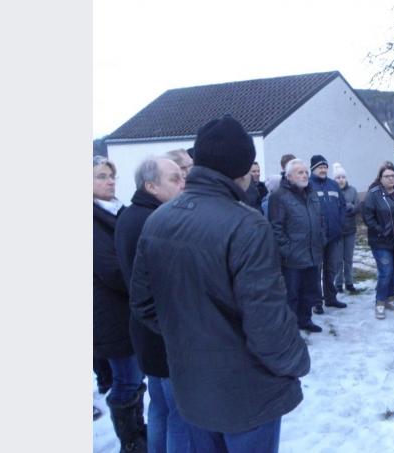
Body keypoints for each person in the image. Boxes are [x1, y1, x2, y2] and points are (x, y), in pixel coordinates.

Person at [130, 115, 310, 452]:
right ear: (242, 171)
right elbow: (267, 324)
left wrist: (191, 337)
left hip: (193, 384)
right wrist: (297, 361)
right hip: (247, 393)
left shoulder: (158, 219)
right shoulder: (247, 225)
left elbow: (144, 304)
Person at [114, 157, 188, 452]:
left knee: (160, 408)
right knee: (180, 415)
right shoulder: (154, 220)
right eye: (174, 178)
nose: (183, 183)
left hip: (147, 331)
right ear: (151, 186)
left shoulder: (134, 214)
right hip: (162, 332)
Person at [93, 155, 147, 452]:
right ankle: (130, 439)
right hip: (110, 313)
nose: (109, 181)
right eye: (101, 176)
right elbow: (112, 269)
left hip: (129, 308)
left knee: (135, 376)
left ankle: (139, 428)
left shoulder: (118, 211)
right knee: (125, 379)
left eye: (111, 176)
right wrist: (146, 284)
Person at [268, 158, 325, 333]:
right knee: (291, 294)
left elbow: (320, 219)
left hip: (312, 253)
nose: (305, 175)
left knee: (309, 292)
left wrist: (321, 238)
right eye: (300, 172)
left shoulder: (311, 193)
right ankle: (289, 328)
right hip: (292, 257)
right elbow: (275, 227)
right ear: (289, 176)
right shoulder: (279, 196)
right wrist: (287, 250)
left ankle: (305, 320)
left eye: (306, 172)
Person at [363, 162, 394, 319]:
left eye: (392, 176)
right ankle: (380, 302)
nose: (390, 179)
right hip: (381, 241)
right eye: (386, 176)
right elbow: (367, 216)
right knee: (386, 272)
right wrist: (381, 231)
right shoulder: (373, 194)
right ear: (380, 178)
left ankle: (390, 299)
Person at [309, 154, 348, 313]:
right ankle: (317, 302)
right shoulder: (308, 185)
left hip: (334, 235)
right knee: (316, 270)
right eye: (320, 167)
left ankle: (331, 298)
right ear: (313, 169)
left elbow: (342, 206)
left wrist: (340, 223)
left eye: (325, 167)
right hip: (316, 238)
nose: (323, 169)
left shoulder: (333, 184)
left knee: (332, 268)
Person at [332, 163, 360, 294]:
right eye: (338, 178)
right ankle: (338, 283)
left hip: (350, 230)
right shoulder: (332, 191)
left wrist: (350, 207)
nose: (341, 180)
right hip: (337, 232)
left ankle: (349, 282)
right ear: (334, 179)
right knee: (338, 260)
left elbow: (358, 207)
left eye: (343, 177)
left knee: (348, 258)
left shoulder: (353, 191)